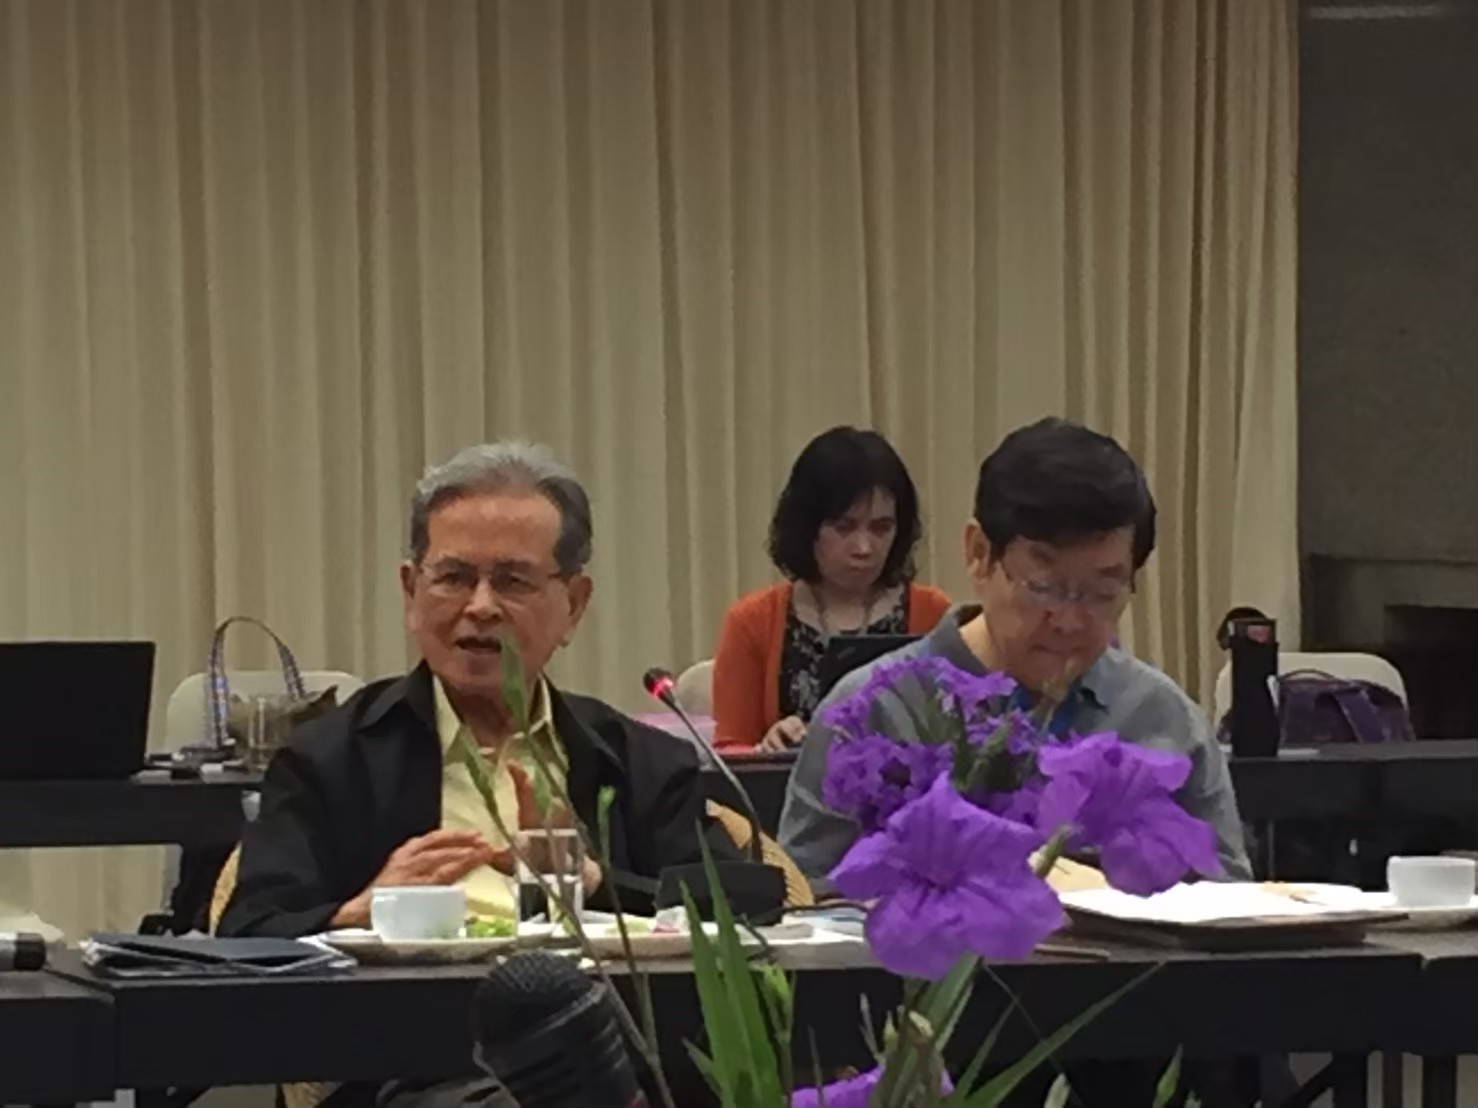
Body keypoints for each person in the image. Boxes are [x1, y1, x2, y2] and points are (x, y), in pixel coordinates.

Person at [220, 441, 738, 935]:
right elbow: (250, 928)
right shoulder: (329, 759)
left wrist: (591, 882)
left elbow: (744, 906)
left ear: (574, 604)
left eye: (513, 581)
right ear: (410, 591)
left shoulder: (641, 763)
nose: (481, 606)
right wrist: (368, 911)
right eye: (454, 578)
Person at [780, 417, 1252, 889]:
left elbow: (1229, 904)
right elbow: (803, 901)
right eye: (1043, 587)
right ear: (978, 554)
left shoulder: (1162, 719)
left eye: (1102, 593)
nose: (1068, 620)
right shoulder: (877, 710)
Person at [712, 427, 951, 751]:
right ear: (807, 527)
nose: (864, 547)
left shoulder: (933, 614)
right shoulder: (751, 622)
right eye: (844, 527)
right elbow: (728, 751)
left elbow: (957, 739)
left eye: (881, 528)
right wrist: (764, 750)